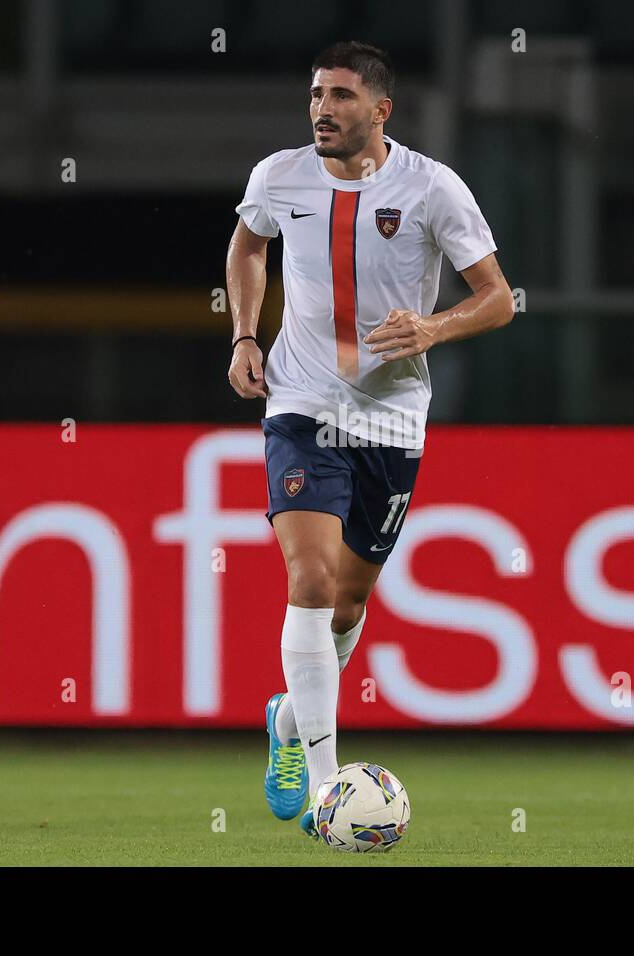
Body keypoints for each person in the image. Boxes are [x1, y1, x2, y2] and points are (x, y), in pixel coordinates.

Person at [225, 40, 515, 839]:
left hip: (391, 418)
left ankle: (288, 722)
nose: (324, 109)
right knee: (310, 582)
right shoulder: (277, 175)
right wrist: (246, 334)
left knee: (347, 604)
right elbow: (249, 243)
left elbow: (497, 299)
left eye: (343, 96)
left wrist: (434, 325)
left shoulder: (431, 188)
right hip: (300, 402)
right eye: (317, 94)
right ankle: (327, 792)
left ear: (381, 111)